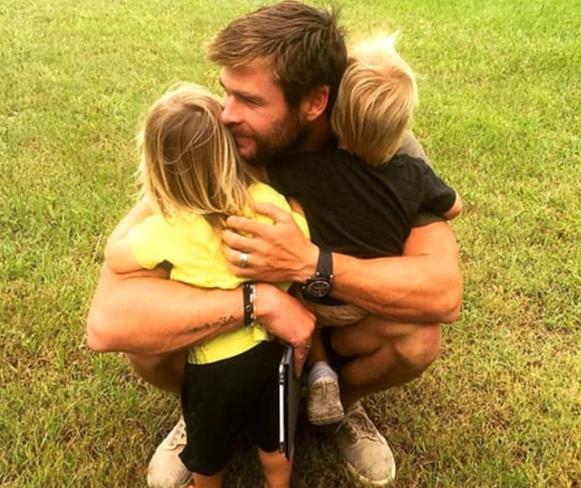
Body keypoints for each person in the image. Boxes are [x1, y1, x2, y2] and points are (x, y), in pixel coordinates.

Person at [86, 2, 462, 487]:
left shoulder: (380, 140)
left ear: (314, 102)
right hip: (239, 324)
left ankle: (335, 405)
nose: (227, 114)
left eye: (250, 101)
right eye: (226, 93)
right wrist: (255, 301)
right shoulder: (213, 139)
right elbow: (110, 319)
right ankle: (201, 408)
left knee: (416, 338)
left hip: (334, 318)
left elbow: (442, 291)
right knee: (147, 342)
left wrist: (308, 262)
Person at [104, 83, 308, 488]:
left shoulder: (165, 228)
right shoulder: (265, 200)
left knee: (208, 455)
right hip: (270, 355)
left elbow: (116, 255)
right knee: (275, 441)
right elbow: (296, 253)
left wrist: (154, 201)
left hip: (211, 369)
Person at [270, 33, 463, 427]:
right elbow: (455, 206)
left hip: (305, 299)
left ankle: (327, 381)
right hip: (359, 305)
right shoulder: (412, 175)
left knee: (297, 283)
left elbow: (445, 293)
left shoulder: (303, 170)